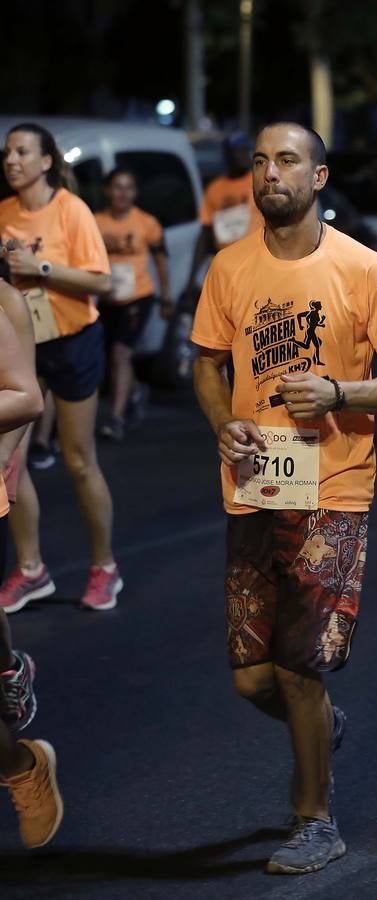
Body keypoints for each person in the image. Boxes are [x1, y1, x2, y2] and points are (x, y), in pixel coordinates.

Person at [190, 122, 377, 874]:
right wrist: (225, 423)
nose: (269, 174)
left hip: (335, 484)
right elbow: (205, 362)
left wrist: (338, 391)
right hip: (256, 484)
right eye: (259, 161)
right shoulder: (229, 266)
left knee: (298, 667)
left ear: (319, 178)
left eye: (287, 160)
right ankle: (318, 728)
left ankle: (315, 820)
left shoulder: (360, 268)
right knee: (252, 676)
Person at [0, 122, 122, 614]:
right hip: (22, 347)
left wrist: (41, 270)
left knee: (77, 459)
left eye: (22, 152)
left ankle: (105, 567)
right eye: (7, 152)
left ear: (46, 161)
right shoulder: (4, 212)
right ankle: (32, 570)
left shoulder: (71, 210)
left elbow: (103, 282)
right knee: (10, 464)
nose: (11, 160)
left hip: (72, 342)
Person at [0, 280, 62, 849]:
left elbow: (24, 398)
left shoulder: (5, 301)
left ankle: (20, 766)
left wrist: (5, 461)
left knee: (84, 460)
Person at [93, 167, 171, 440]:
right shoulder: (95, 222)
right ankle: (136, 391)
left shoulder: (146, 222)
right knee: (110, 357)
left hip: (138, 296)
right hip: (107, 297)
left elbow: (161, 260)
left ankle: (116, 418)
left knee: (120, 354)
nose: (122, 193)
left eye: (128, 188)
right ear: (107, 190)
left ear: (135, 193)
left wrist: (167, 297)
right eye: (117, 187)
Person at [185, 134, 263, 300]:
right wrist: (192, 278)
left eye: (246, 150)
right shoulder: (215, 189)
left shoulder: (261, 181)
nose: (243, 155)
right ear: (227, 154)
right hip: (227, 268)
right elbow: (205, 233)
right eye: (237, 151)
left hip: (257, 265)